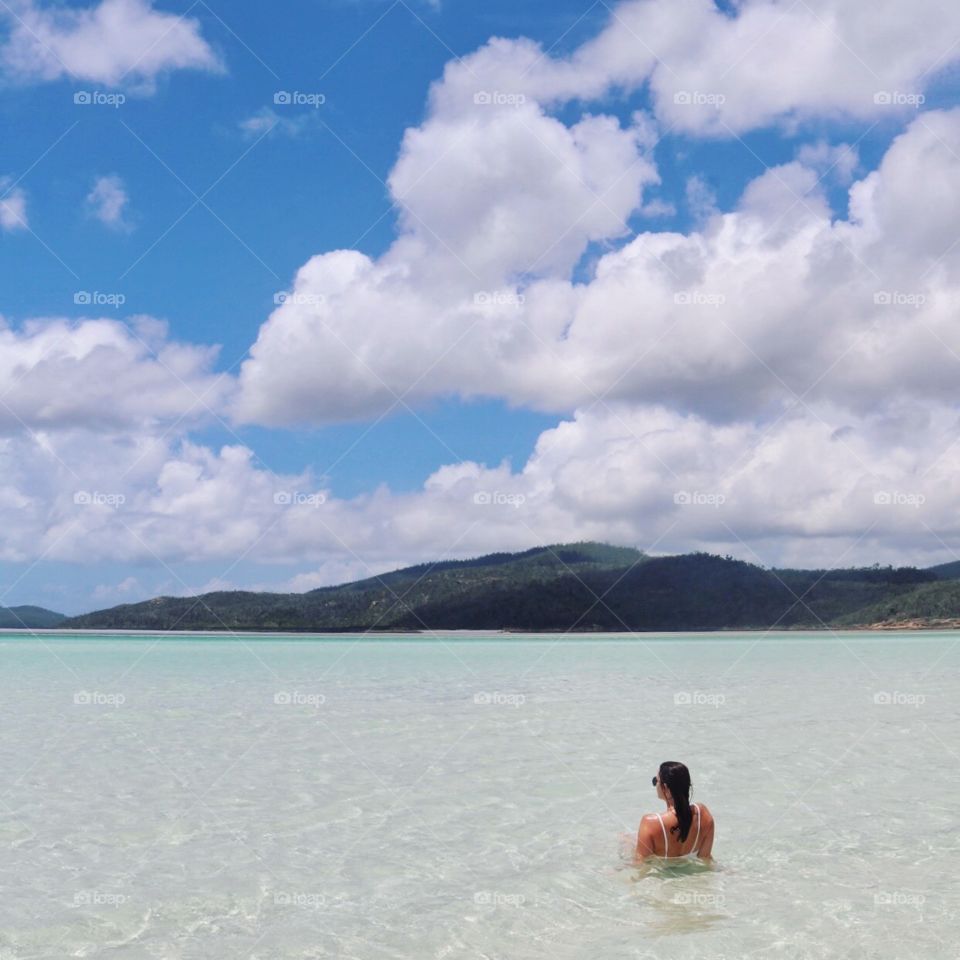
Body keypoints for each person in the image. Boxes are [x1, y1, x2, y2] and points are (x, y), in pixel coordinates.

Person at [634, 761, 714, 862]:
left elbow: (639, 866)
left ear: (666, 788)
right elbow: (705, 858)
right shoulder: (703, 814)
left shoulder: (650, 823)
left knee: (625, 841)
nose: (655, 785)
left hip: (661, 876)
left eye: (656, 781)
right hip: (690, 874)